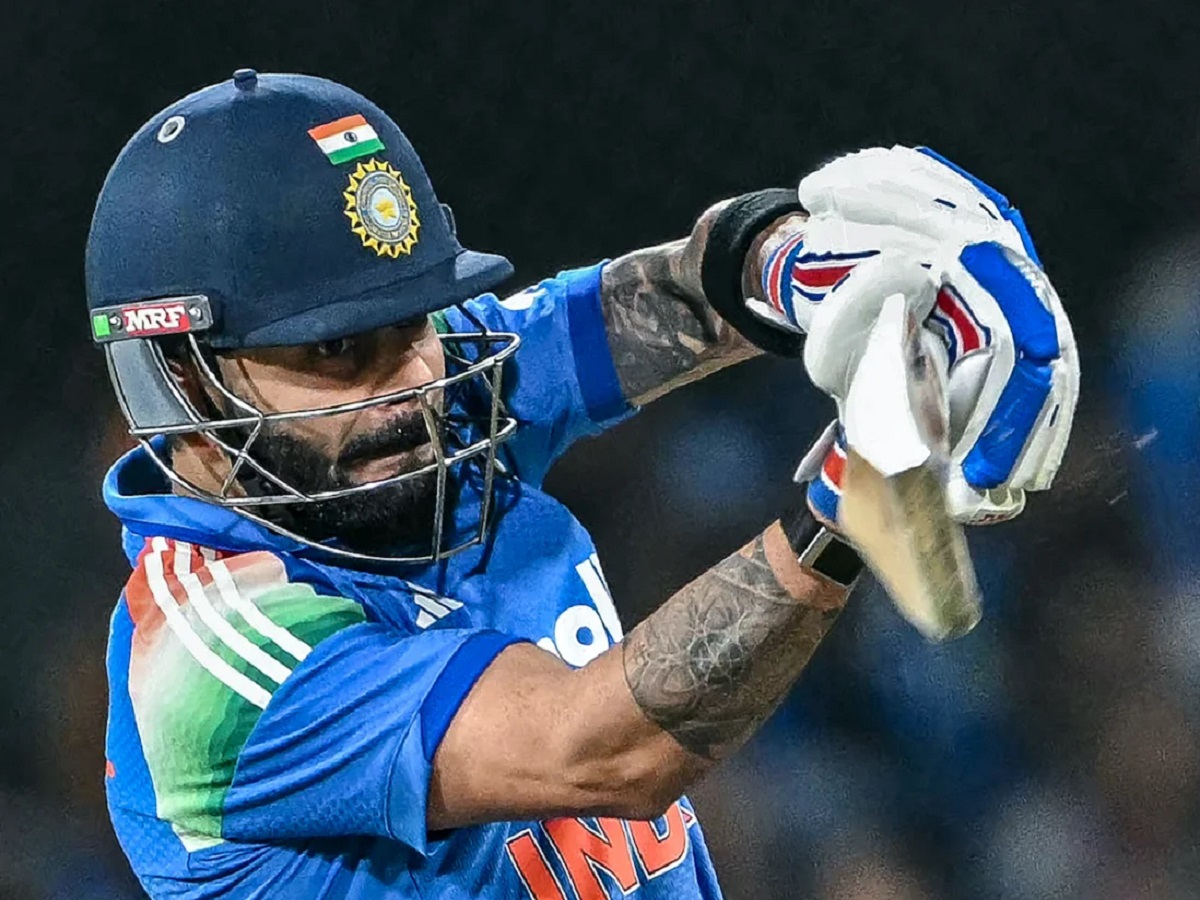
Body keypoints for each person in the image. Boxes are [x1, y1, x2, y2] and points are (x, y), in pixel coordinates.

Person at [89, 70, 1077, 898]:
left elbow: (653, 300)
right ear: (184, 373)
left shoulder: (412, 405)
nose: (412, 386)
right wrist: (851, 494)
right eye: (336, 349)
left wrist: (804, 264)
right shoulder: (210, 656)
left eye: (414, 321)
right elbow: (603, 751)